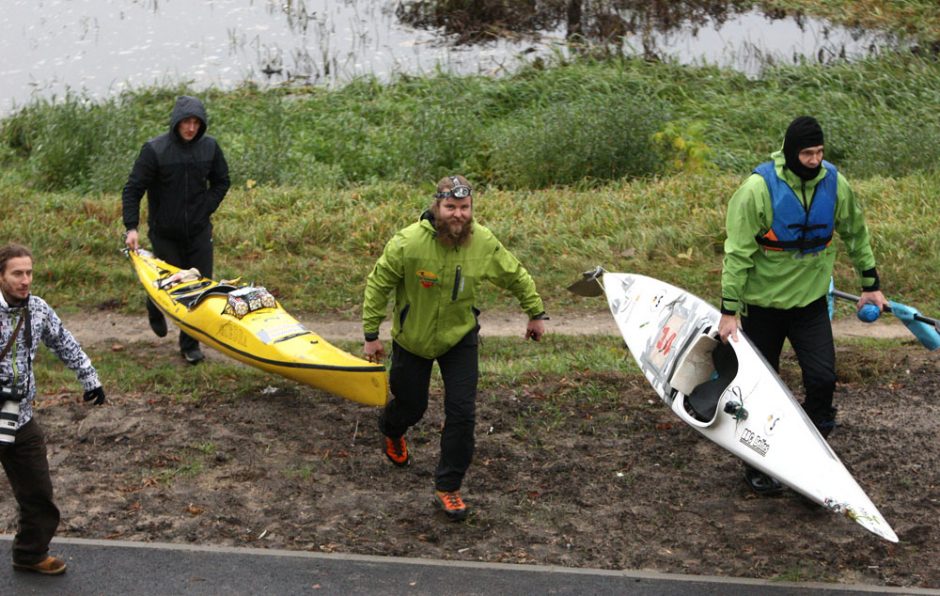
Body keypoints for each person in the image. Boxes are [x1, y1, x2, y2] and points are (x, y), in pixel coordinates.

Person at [362, 175, 548, 521]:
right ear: (437, 207)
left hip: (459, 336)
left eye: (464, 208)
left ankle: (448, 486)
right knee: (411, 407)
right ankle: (391, 428)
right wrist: (371, 333)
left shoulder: (483, 242)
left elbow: (514, 274)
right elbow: (379, 283)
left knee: (463, 413)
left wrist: (535, 312)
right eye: (451, 207)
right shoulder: (408, 242)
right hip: (413, 338)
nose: (458, 214)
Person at [718, 116, 887, 494]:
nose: (815, 160)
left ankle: (812, 457)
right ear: (792, 152)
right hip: (762, 307)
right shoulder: (758, 189)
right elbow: (737, 255)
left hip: (809, 304)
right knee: (762, 387)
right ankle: (757, 461)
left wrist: (870, 284)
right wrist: (729, 312)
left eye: (820, 152)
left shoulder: (834, 183)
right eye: (808, 153)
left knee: (823, 379)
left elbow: (856, 232)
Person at [0, 243, 105, 575]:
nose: (25, 280)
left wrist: (90, 378)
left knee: (39, 492)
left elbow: (63, 341)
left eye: (29, 272)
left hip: (20, 416)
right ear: (1, 276)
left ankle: (30, 554)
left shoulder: (38, 310)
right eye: (17, 273)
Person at [122, 95, 230, 364]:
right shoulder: (155, 150)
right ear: (176, 123)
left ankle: (189, 344)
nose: (191, 128)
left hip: (198, 231)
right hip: (164, 232)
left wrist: (205, 207)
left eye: (196, 122)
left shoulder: (210, 148)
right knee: (171, 285)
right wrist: (131, 227)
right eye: (186, 122)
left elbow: (222, 181)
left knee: (199, 289)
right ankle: (154, 304)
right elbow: (133, 190)